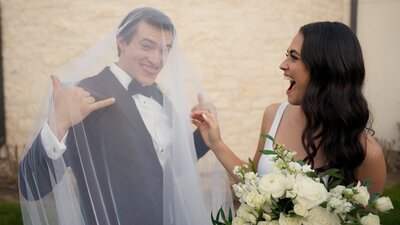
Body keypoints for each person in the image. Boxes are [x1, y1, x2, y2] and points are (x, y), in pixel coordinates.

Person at [19, 7, 231, 225]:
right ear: (122, 41)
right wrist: (59, 123)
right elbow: (31, 186)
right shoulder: (86, 96)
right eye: (147, 46)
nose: (157, 60)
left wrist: (203, 138)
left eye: (165, 50)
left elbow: (160, 168)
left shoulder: (159, 97)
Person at [192, 21, 387, 194]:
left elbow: (365, 217)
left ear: (324, 68)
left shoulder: (366, 152)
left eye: (293, 57)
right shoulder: (273, 115)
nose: (282, 65)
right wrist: (215, 142)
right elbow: (253, 181)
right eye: (287, 56)